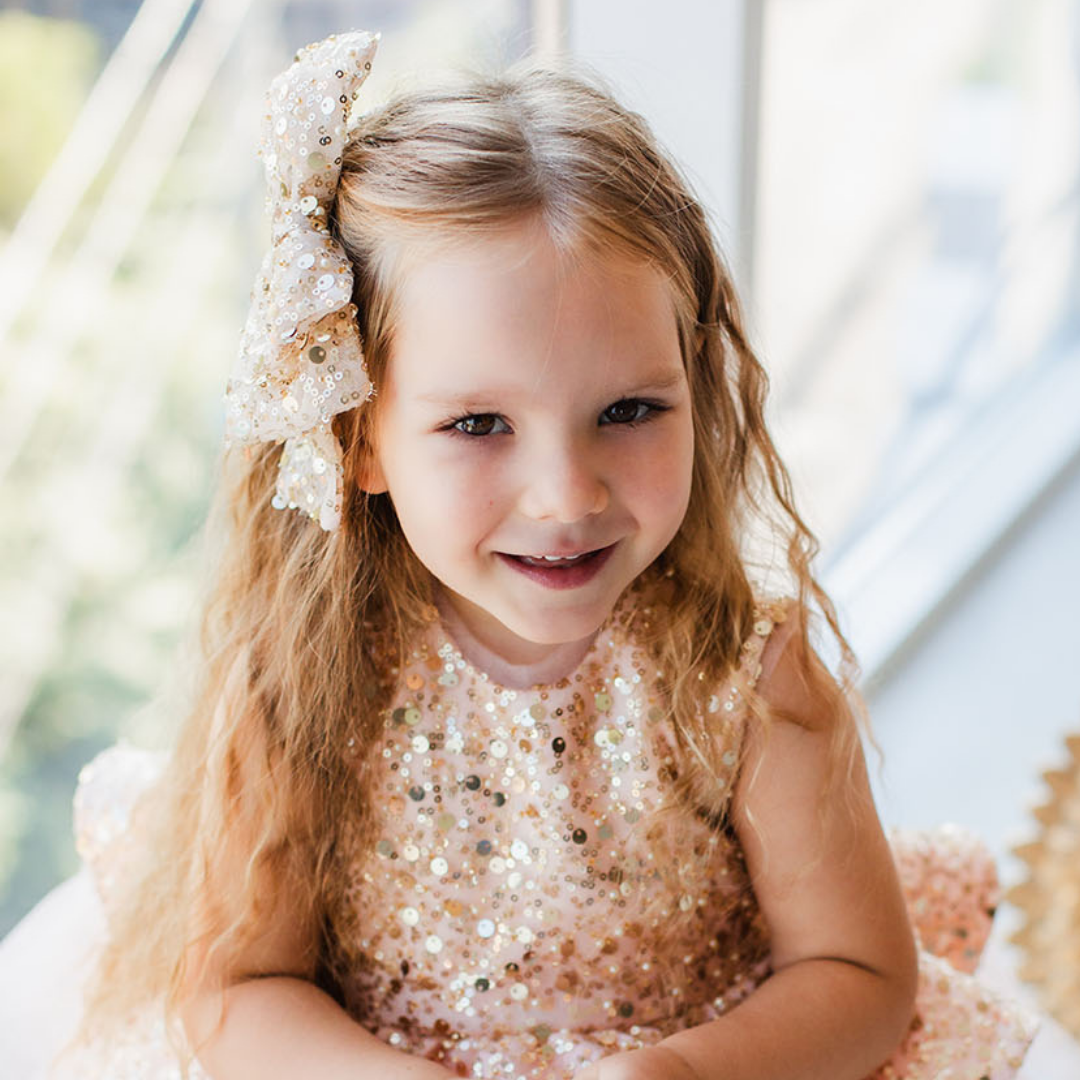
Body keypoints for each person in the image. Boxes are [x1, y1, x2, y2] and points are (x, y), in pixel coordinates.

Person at [0, 28, 1036, 1080]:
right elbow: (233, 994)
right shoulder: (301, 682)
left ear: (698, 392)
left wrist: (676, 1074)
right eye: (480, 425)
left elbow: (859, 975)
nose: (567, 494)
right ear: (358, 435)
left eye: (628, 409)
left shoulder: (747, 672)